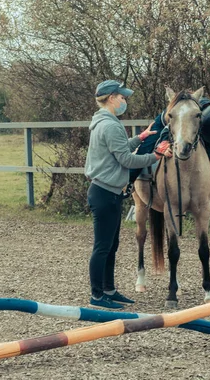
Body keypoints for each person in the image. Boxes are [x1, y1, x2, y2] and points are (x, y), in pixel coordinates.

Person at [85, 80, 172, 310]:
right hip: (106, 193)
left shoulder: (103, 122)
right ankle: (97, 295)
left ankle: (109, 290)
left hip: (106, 191)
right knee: (103, 246)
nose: (125, 101)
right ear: (112, 98)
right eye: (122, 97)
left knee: (111, 245)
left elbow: (120, 148)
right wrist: (156, 156)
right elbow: (126, 159)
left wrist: (140, 138)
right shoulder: (111, 125)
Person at [123, 95, 210, 199]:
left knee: (209, 138)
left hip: (196, 119)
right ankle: (131, 180)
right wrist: (164, 144)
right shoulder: (183, 110)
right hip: (168, 120)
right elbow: (167, 130)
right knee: (146, 145)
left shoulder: (205, 114)